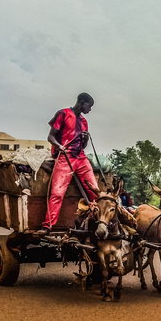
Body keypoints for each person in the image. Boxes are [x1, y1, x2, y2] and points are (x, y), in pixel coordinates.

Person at [39, 93, 101, 234]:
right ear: (82, 102)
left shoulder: (84, 122)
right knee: (57, 193)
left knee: (95, 192)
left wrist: (85, 139)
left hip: (81, 158)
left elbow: (83, 145)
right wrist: (59, 146)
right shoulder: (63, 114)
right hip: (65, 157)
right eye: (89, 106)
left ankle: (97, 223)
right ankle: (47, 225)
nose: (89, 110)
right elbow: (50, 136)